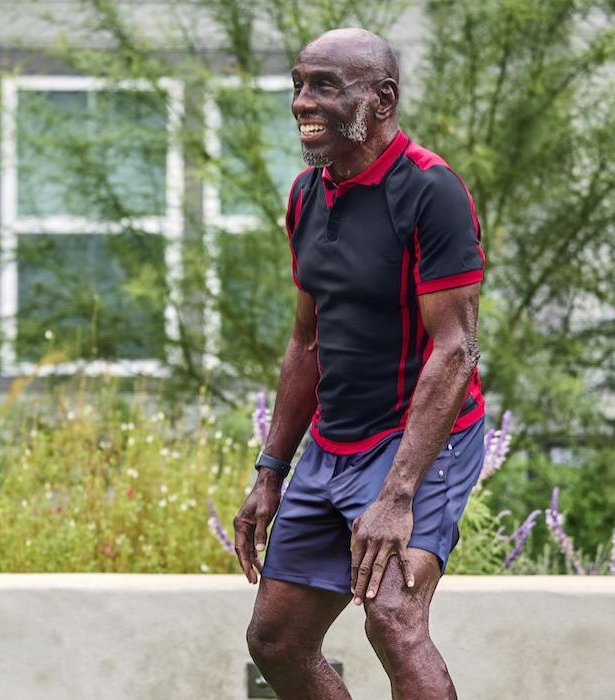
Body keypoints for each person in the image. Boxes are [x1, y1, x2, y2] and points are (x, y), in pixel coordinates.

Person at [232, 27, 487, 700]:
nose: (301, 103)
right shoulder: (306, 195)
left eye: (323, 86)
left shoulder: (432, 191)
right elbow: (306, 342)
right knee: (277, 640)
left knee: (394, 618)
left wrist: (397, 494)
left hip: (419, 441)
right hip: (332, 444)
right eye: (297, 84)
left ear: (382, 98)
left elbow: (456, 349)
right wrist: (271, 469)